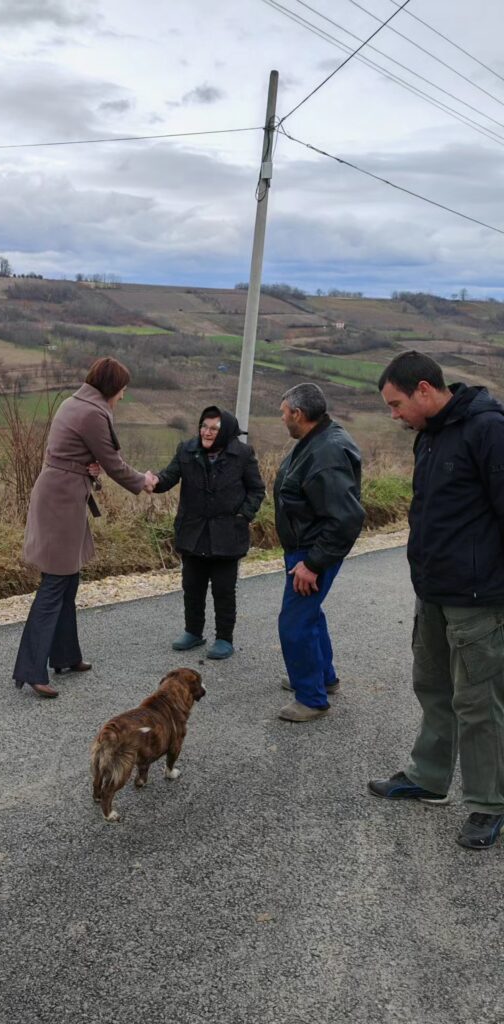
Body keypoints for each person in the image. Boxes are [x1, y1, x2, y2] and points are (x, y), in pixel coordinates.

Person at [368, 351, 504, 850]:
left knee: (479, 702)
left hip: (478, 597)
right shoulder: (429, 434)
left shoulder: (488, 429)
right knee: (432, 687)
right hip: (432, 591)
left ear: (424, 389)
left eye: (397, 404)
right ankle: (428, 777)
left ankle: (490, 803)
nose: (394, 415)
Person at [13, 357, 156, 698]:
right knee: (55, 582)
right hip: (61, 501)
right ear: (111, 387)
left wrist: (86, 467)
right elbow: (113, 463)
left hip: (61, 495)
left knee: (68, 579)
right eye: (122, 390)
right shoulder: (93, 413)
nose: (122, 396)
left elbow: (79, 455)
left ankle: (65, 656)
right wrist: (144, 481)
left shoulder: (74, 402)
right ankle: (32, 670)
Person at [274, 382, 364, 722]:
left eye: (284, 413)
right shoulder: (317, 439)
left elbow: (346, 517)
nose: (282, 418)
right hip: (306, 545)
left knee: (294, 623)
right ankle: (323, 678)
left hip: (312, 550)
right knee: (310, 614)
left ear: (298, 414)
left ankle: (311, 698)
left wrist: (312, 564)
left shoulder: (326, 453)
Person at [152, 406, 265, 660]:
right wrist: (153, 482)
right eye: (204, 426)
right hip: (193, 531)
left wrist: (243, 516)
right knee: (192, 586)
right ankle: (193, 632)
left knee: (223, 590)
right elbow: (168, 477)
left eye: (214, 428)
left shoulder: (243, 454)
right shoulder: (187, 450)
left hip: (228, 535)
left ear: (226, 432)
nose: (207, 432)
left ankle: (224, 638)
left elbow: (257, 490)